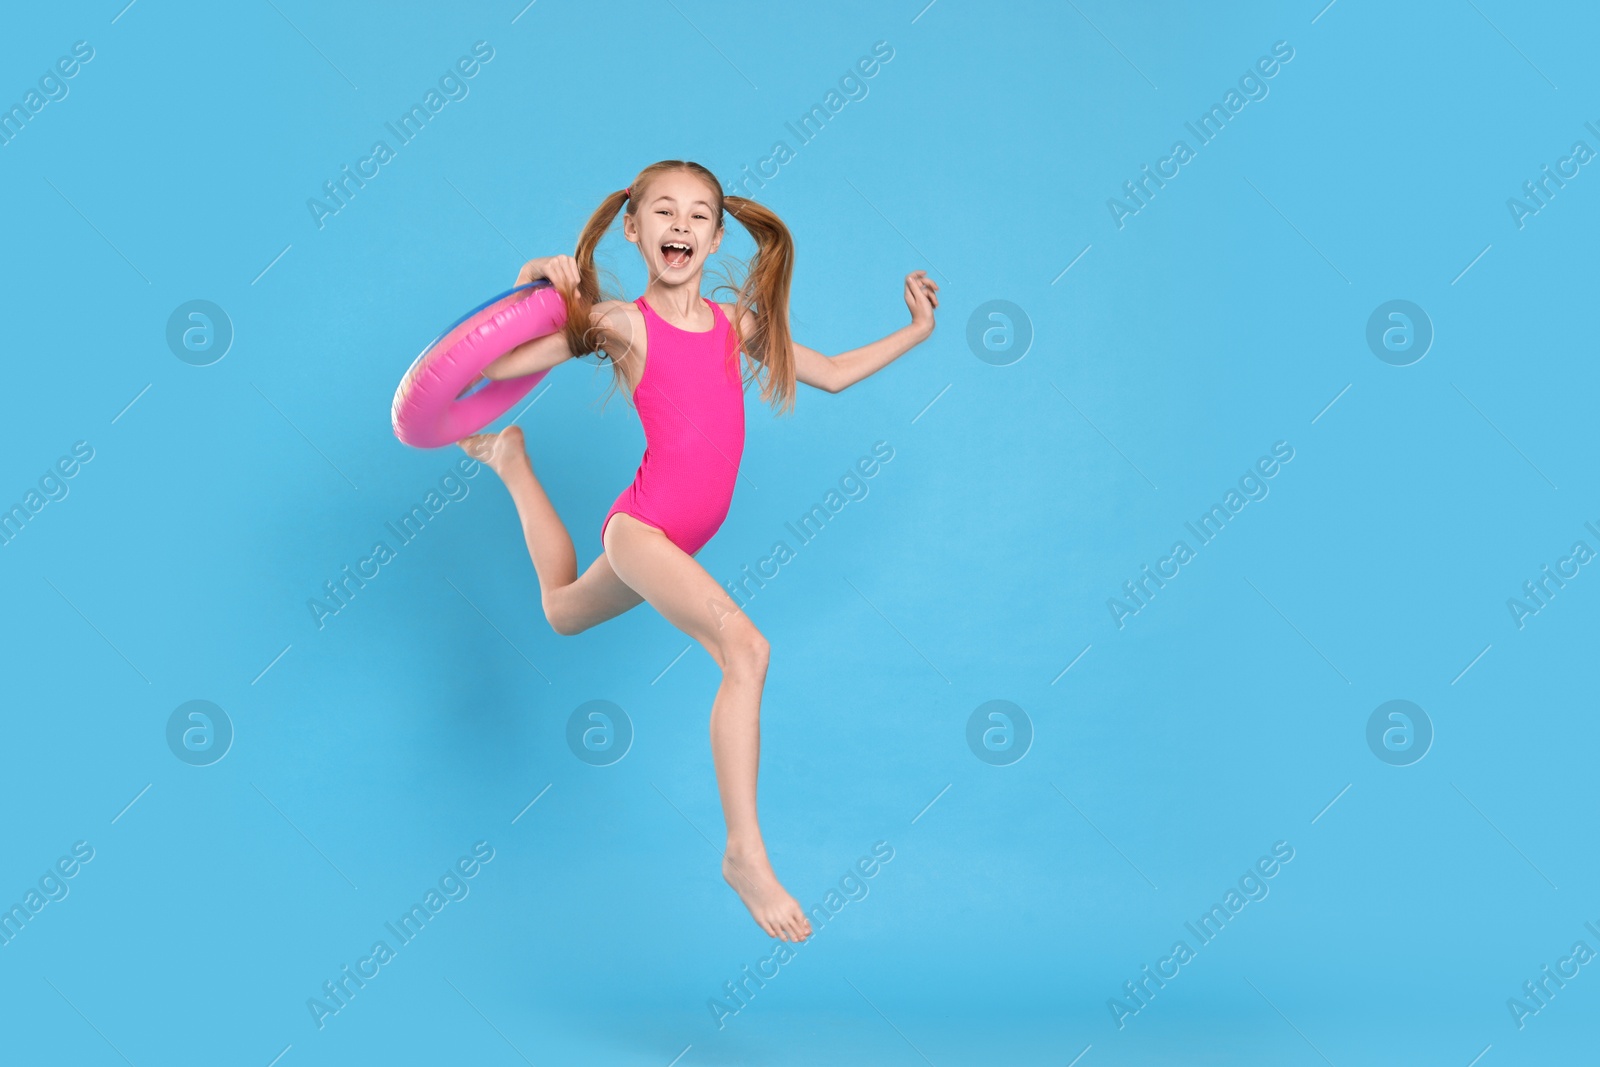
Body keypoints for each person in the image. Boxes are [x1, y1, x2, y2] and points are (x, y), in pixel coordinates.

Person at [458, 160, 939, 942]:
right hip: (641, 530)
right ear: (634, 228)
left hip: (673, 538)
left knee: (558, 611)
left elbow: (837, 374)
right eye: (663, 213)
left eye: (697, 216)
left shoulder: (734, 325)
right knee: (745, 649)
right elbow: (492, 365)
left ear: (716, 236)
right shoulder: (620, 323)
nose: (679, 226)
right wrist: (532, 284)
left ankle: (512, 464)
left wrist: (918, 330)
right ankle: (744, 852)